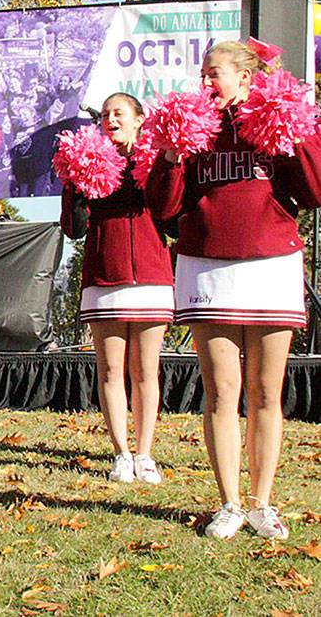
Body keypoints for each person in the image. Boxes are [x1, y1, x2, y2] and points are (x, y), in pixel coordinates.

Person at [146, 41, 321, 541]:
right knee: (222, 391)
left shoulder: (272, 121)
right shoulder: (192, 125)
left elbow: (315, 190)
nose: (205, 83)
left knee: (266, 392)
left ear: (247, 78)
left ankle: (264, 503)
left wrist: (296, 129)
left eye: (215, 73)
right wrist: (173, 156)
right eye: (202, 73)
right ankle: (229, 503)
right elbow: (163, 208)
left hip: (271, 262)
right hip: (207, 265)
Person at [59, 93, 174, 484]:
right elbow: (74, 229)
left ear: (140, 119)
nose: (110, 118)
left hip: (152, 276)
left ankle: (145, 453)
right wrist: (75, 184)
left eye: (118, 112)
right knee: (110, 369)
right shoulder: (88, 161)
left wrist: (163, 168)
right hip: (103, 277)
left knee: (146, 370)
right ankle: (121, 454)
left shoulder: (156, 159)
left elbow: (171, 215)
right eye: (105, 114)